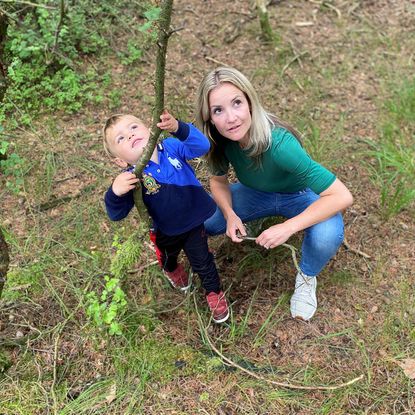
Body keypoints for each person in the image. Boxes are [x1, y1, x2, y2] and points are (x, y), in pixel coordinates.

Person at [195, 67, 353, 321]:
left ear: (249, 102)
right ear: (209, 118)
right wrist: (230, 213)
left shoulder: (280, 145)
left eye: (237, 103)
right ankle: (250, 218)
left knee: (326, 235)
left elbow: (342, 196)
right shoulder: (218, 140)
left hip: (300, 195)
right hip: (255, 192)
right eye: (218, 110)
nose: (231, 118)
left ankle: (306, 277)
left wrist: (288, 227)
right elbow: (218, 181)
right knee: (205, 219)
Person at [103, 109, 229, 323]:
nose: (131, 135)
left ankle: (213, 292)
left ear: (151, 129)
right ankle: (172, 269)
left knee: (203, 261)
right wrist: (115, 192)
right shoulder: (131, 177)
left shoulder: (171, 147)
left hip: (193, 223)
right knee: (168, 257)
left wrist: (179, 128)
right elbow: (116, 214)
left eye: (133, 127)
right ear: (120, 161)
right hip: (163, 230)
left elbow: (202, 147)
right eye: (121, 138)